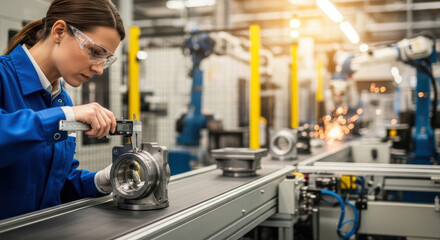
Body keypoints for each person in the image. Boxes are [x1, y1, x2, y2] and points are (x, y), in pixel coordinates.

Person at [0, 0, 125, 220]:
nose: (99, 69)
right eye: (95, 51)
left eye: (105, 60)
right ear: (59, 31)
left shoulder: (61, 100)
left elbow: (55, 183)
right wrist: (66, 116)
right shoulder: (3, 78)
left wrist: (100, 180)